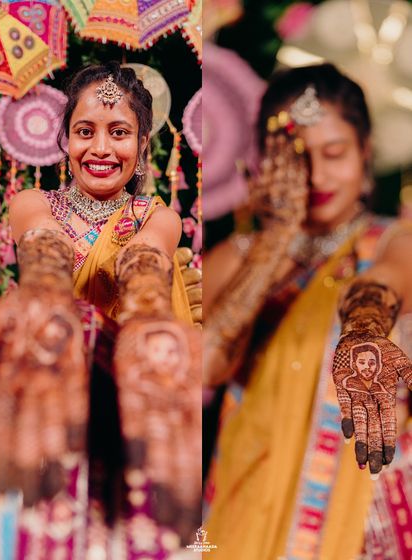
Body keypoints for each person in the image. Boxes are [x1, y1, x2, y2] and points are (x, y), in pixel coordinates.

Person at [0, 61, 201, 559]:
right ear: (65, 140)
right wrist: (46, 295)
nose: (102, 149)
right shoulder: (32, 204)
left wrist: (150, 310)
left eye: (119, 133)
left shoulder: (157, 218)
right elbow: (46, 253)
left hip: (134, 407)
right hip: (49, 391)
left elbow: (145, 260)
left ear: (143, 142)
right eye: (85, 131)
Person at [203, 63, 412, 559]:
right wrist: (274, 242)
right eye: (297, 159)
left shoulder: (393, 240)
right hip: (239, 507)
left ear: (365, 152)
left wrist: (364, 329)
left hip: (354, 517)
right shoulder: (241, 257)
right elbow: (203, 367)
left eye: (334, 153)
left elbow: (385, 284)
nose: (316, 176)